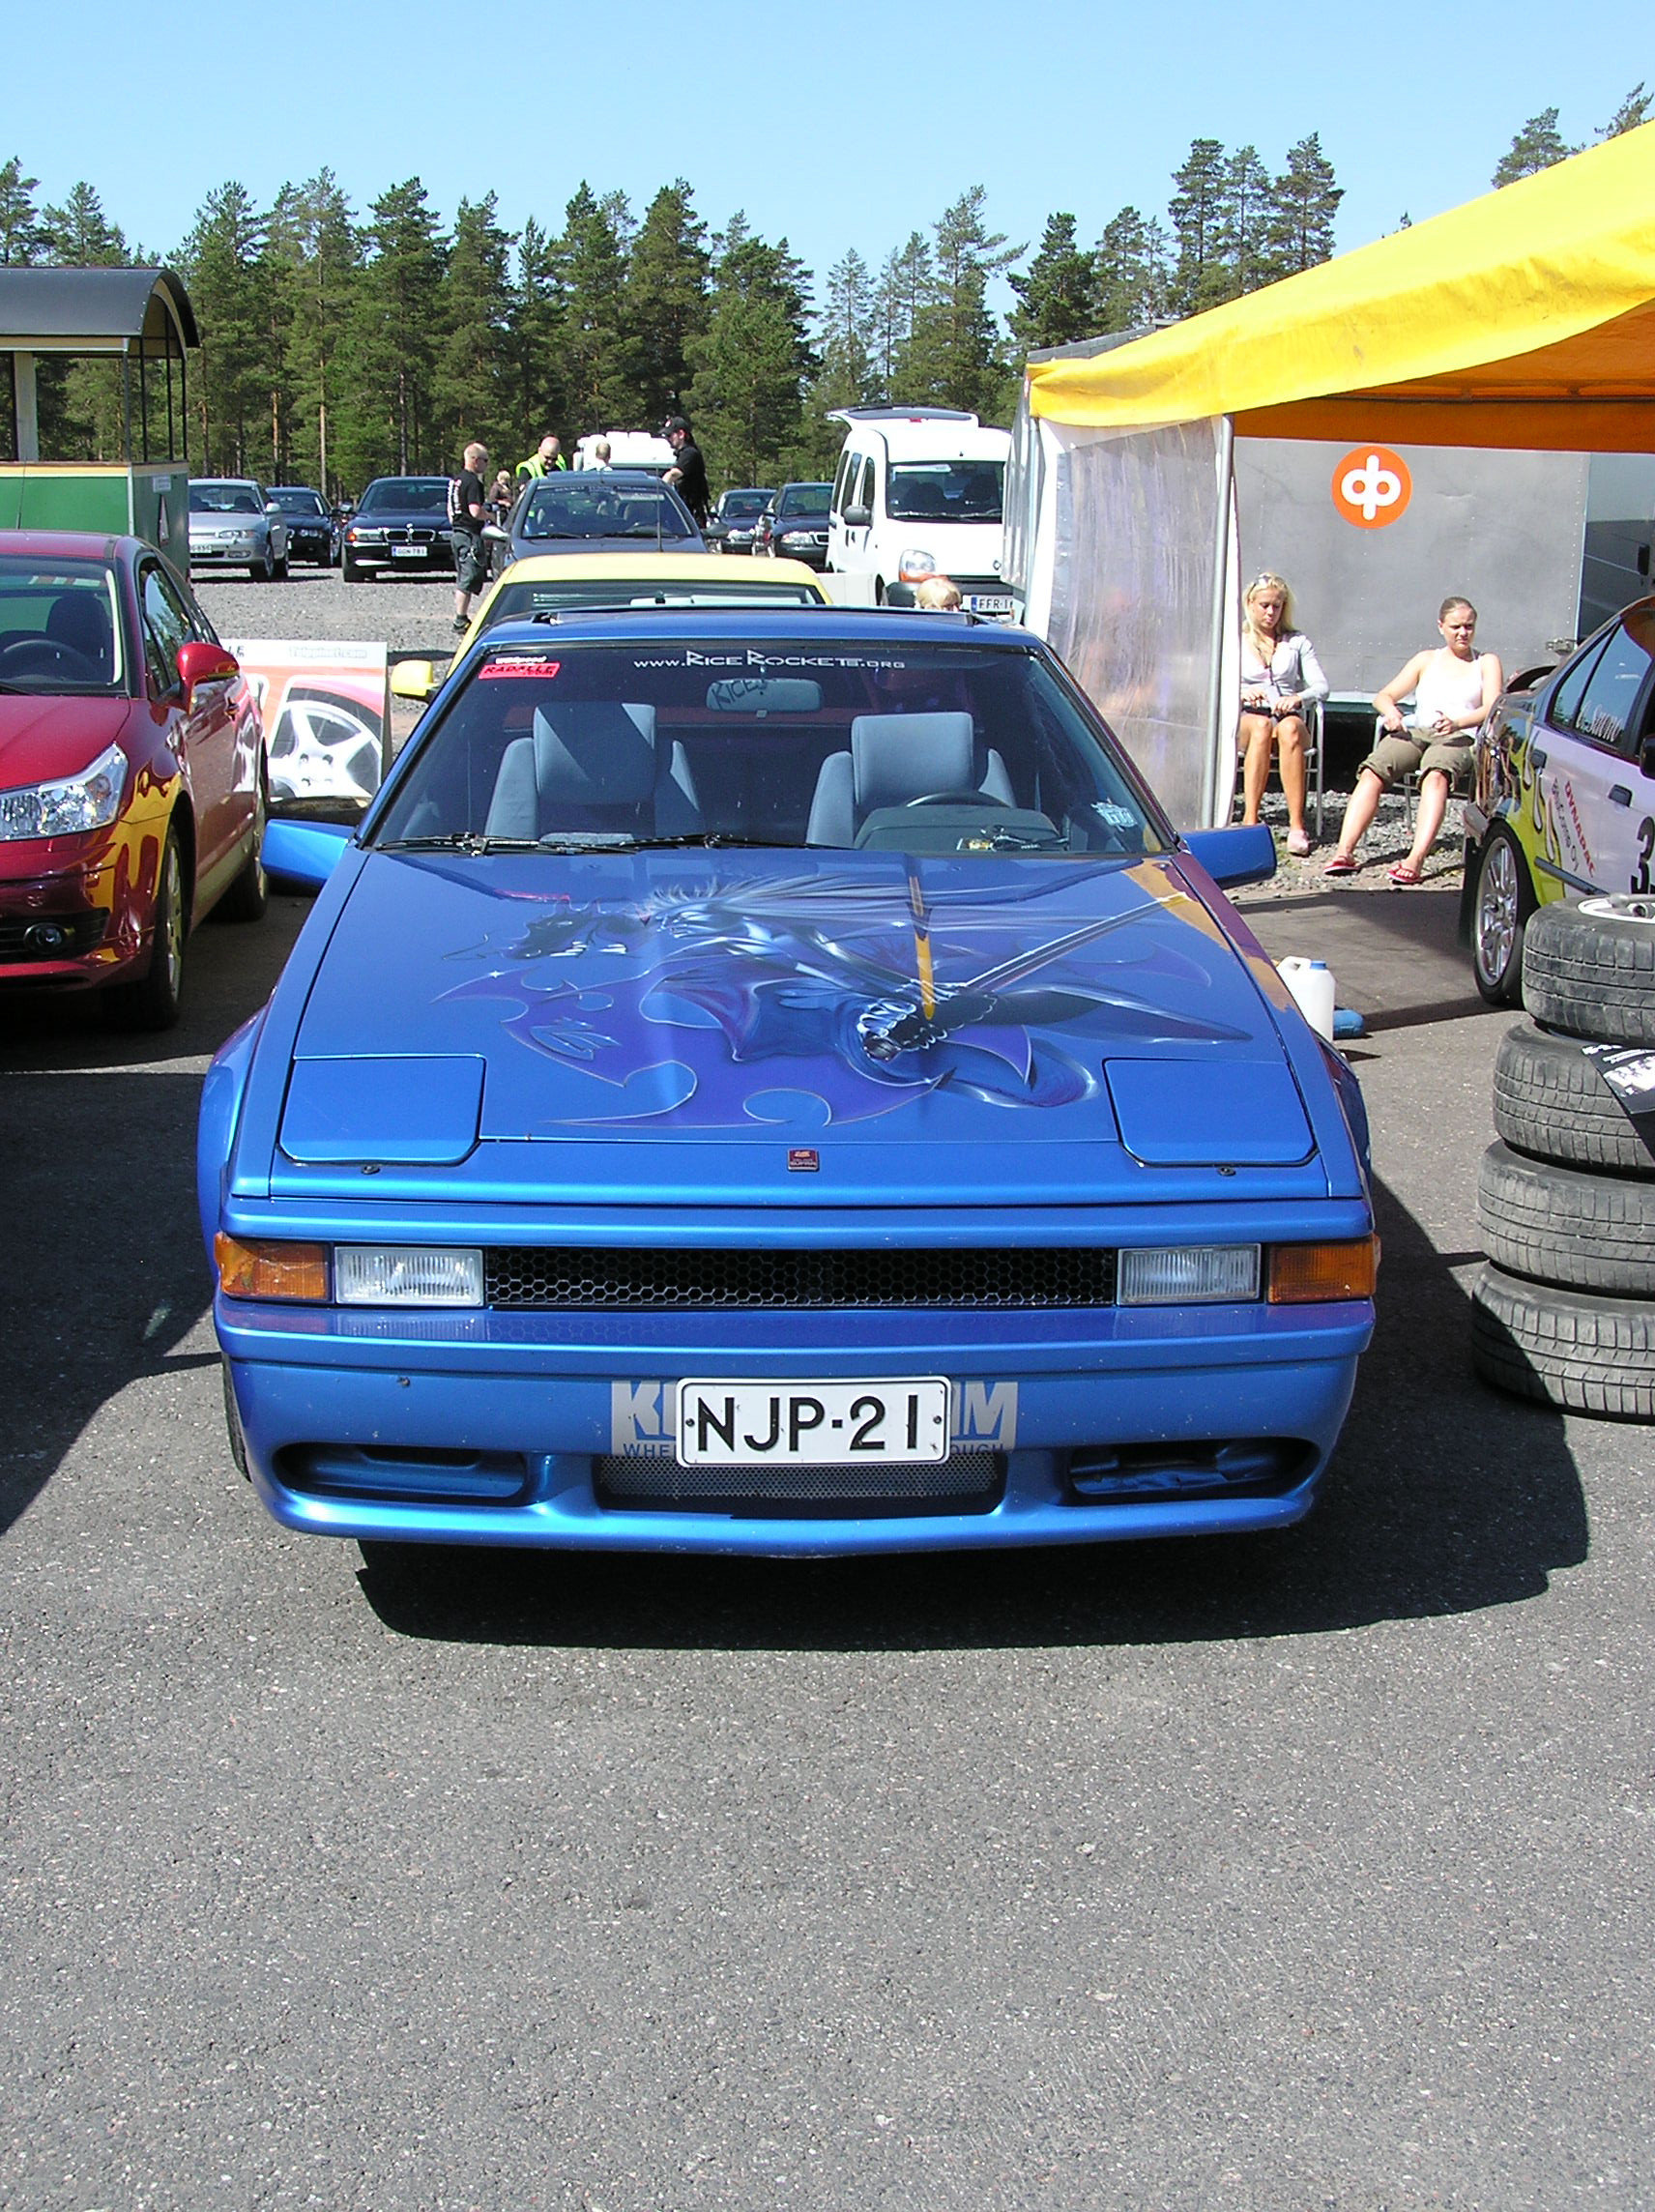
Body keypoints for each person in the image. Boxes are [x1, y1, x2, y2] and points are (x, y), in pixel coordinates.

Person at [1324, 596, 1503, 885]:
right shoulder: (1426, 660)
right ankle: (1344, 852)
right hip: (1418, 731)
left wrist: (1457, 722)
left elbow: (1492, 707)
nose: (1463, 633)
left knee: (1436, 776)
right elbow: (1384, 696)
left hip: (1460, 735)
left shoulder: (1485, 662)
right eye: (1456, 626)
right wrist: (1392, 713)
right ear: (1441, 627)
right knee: (1373, 771)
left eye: (1469, 626)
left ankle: (1415, 858)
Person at [1235, 571, 1328, 858]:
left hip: (1286, 715)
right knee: (1262, 727)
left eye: (1277, 606)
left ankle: (1297, 825)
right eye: (1264, 605)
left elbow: (1321, 686)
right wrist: (1239, 691)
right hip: (1250, 716)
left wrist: (1297, 697)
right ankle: (1250, 819)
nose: (1270, 612)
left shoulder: (1296, 641)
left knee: (1289, 730)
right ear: (1250, 604)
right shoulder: (1236, 639)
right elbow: (1215, 681)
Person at [448, 440, 490, 633]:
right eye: (485, 461)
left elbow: (450, 509)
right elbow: (474, 511)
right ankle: (460, 618)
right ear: (474, 460)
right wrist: (489, 516)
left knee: (463, 573)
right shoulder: (472, 481)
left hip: (456, 531)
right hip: (468, 533)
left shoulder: (455, 481)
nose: (486, 465)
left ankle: (461, 616)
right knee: (468, 574)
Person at [662, 414, 710, 524]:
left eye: (670, 435)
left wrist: (660, 489)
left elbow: (673, 474)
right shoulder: (682, 454)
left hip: (691, 517)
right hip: (684, 515)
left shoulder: (690, 453)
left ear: (681, 434)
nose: (668, 439)